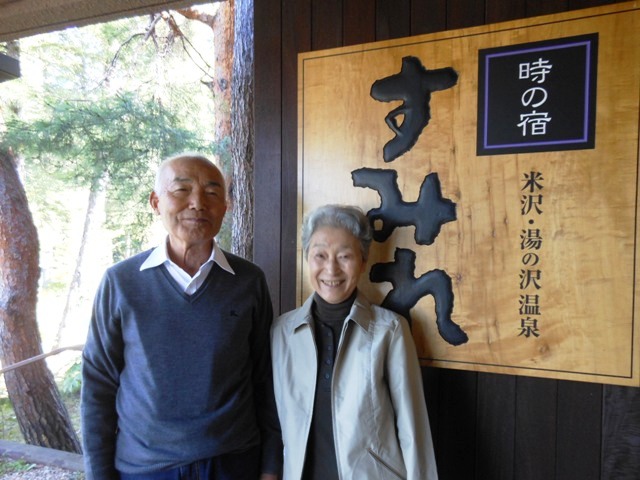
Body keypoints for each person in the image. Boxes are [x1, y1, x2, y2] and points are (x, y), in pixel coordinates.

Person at [81, 153, 281, 480]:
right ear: (155, 202)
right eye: (181, 190)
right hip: (146, 469)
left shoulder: (248, 281)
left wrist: (271, 467)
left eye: (212, 193)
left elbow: (265, 377)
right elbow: (98, 386)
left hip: (233, 463)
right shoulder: (121, 282)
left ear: (225, 207)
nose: (198, 203)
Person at [271, 204, 438, 480]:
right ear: (306, 257)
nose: (331, 269)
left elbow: (413, 429)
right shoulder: (282, 333)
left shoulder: (389, 331)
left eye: (345, 256)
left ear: (363, 261)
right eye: (320, 255)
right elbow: (274, 423)